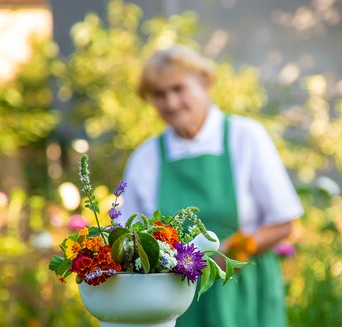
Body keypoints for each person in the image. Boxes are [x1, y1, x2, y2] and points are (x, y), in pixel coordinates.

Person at [120, 44, 303, 327]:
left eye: (178, 89)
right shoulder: (145, 158)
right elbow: (127, 239)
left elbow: (284, 223)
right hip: (176, 299)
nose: (170, 103)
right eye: (159, 95)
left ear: (204, 83)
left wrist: (234, 250)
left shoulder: (245, 137)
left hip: (244, 289)